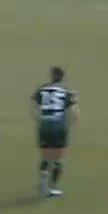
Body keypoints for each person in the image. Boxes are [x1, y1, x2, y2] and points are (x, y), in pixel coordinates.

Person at [33, 65, 77, 198]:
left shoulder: (41, 90)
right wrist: (69, 125)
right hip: (59, 125)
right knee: (58, 159)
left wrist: (40, 121)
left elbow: (34, 110)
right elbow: (75, 112)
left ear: (51, 76)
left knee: (46, 157)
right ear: (62, 77)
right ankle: (51, 187)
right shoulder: (67, 91)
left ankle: (43, 177)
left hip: (45, 124)